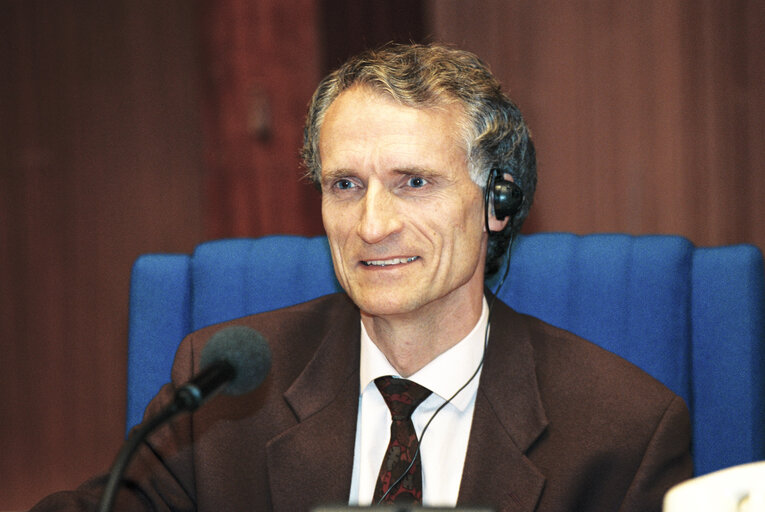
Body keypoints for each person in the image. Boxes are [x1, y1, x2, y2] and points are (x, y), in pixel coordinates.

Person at [31, 43, 692, 511]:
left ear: (498, 201)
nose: (371, 225)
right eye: (345, 184)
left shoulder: (623, 429)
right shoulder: (225, 387)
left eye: (413, 182)